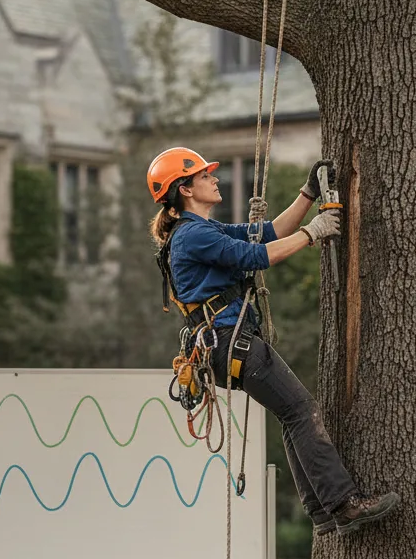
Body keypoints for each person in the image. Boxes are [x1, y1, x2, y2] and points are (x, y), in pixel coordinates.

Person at [147, 146, 400, 537]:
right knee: (301, 411)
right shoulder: (192, 235)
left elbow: (268, 233)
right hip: (231, 340)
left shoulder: (201, 230)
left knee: (291, 413)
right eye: (204, 176)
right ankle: (344, 504)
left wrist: (306, 196)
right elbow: (256, 256)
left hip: (225, 343)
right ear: (185, 189)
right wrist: (312, 233)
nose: (214, 179)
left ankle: (320, 511)